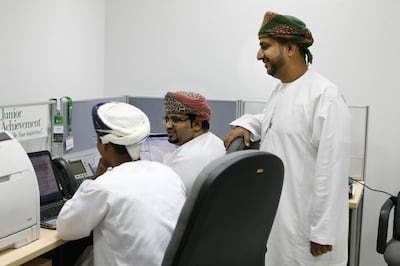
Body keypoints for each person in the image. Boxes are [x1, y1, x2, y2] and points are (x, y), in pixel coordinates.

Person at [223, 11, 351, 266]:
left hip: (307, 233)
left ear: (290, 48)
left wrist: (322, 232)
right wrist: (246, 124)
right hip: (280, 221)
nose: (259, 55)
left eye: (265, 47)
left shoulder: (324, 96)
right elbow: (275, 122)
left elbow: (333, 169)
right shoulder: (282, 90)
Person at [56, 102, 186, 266]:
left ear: (104, 144)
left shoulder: (103, 186)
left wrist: (94, 180)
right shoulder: (169, 174)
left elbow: (66, 229)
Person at [162, 91, 226, 195]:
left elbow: (163, 195)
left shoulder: (184, 158)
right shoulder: (215, 142)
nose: (168, 125)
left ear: (197, 124)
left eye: (176, 120)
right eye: (167, 119)